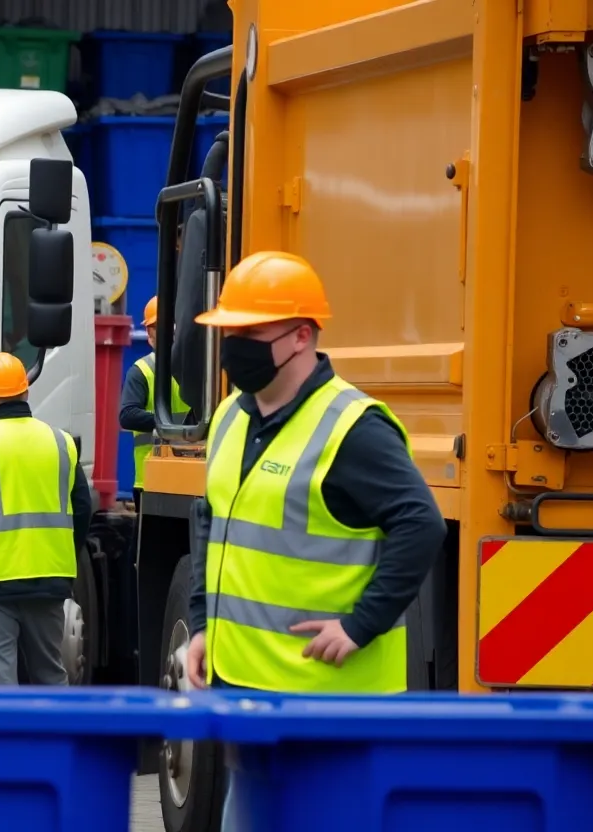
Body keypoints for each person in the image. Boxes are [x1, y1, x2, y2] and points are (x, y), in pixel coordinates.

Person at [179, 251, 447, 825]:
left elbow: (420, 524)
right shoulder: (230, 415)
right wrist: (204, 627)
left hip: (328, 701)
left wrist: (360, 624)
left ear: (302, 336)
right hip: (246, 690)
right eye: (229, 331)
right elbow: (213, 525)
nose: (234, 346)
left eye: (250, 332)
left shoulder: (353, 428)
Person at [0, 352, 93, 685]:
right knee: (51, 673)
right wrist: (64, 554)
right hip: (49, 577)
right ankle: (57, 738)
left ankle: (5, 739)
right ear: (26, 392)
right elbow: (82, 506)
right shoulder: (60, 442)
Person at [118, 295, 191, 504]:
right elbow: (128, 416)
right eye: (157, 328)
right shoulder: (143, 371)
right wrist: (175, 425)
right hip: (154, 479)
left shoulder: (201, 369)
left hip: (186, 478)